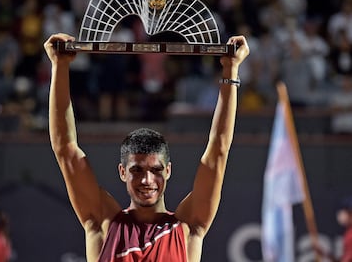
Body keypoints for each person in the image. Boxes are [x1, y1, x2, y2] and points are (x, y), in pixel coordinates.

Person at [44, 33, 250, 261]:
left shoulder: (187, 228)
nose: (147, 180)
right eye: (137, 170)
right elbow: (65, 149)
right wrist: (59, 67)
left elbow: (218, 150)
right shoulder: (104, 225)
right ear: (122, 172)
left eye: (156, 170)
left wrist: (231, 70)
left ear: (168, 171)